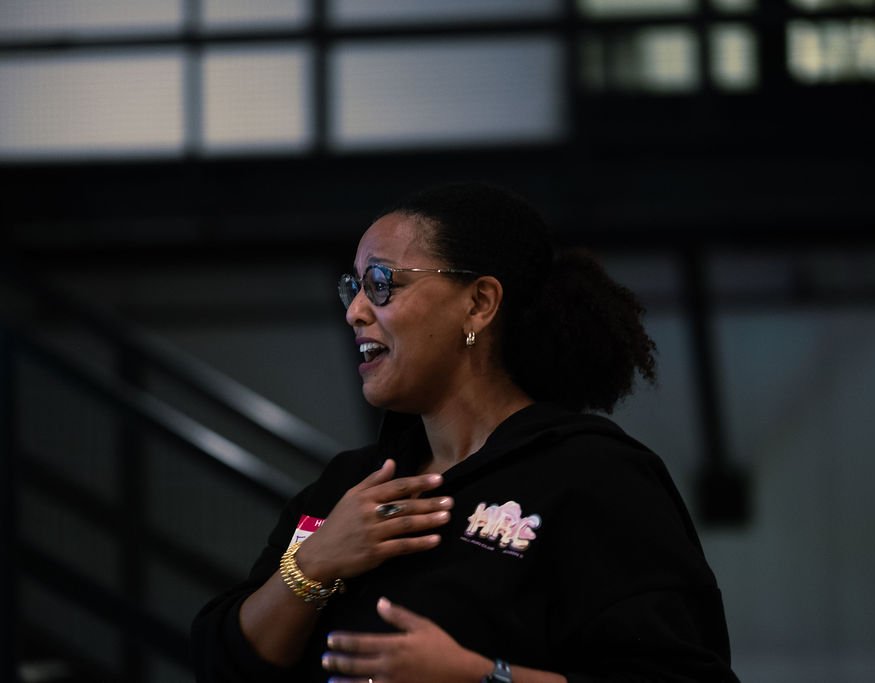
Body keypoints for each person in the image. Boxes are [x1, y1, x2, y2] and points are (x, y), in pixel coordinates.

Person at [190, 181, 740, 682]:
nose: (356, 311)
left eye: (381, 283)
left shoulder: (593, 475)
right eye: (352, 287)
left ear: (478, 304)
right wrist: (311, 567)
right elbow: (223, 661)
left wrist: (481, 676)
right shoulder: (348, 487)